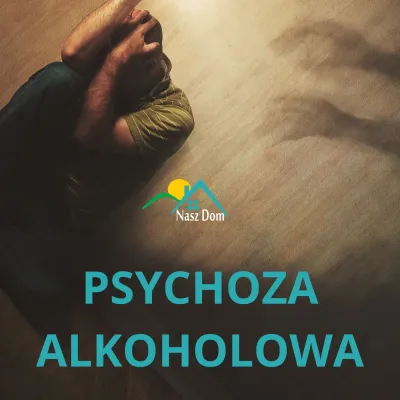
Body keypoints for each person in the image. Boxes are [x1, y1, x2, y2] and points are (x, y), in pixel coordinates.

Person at [0, 0, 194, 294]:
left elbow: (89, 134)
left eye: (113, 59)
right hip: (42, 156)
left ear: (150, 65)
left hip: (63, 205)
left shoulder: (174, 116)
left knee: (47, 290)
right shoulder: (120, 61)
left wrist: (115, 61)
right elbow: (72, 52)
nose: (100, 61)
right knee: (60, 77)